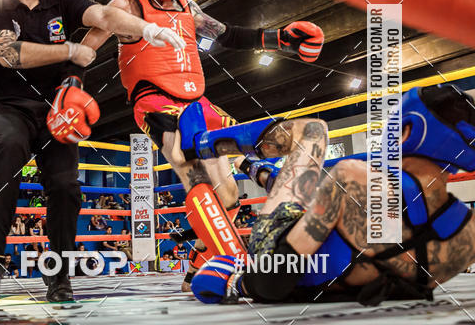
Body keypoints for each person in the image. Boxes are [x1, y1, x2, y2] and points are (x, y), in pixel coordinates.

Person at [82, 0, 324, 290]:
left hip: (198, 102)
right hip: (155, 101)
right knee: (188, 165)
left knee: (228, 197)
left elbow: (226, 34)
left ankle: (196, 269)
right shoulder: (127, 4)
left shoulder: (187, 6)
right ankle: (239, 268)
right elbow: (86, 50)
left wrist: (279, 39)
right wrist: (69, 86)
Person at [0, 0, 185, 304]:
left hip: (57, 108)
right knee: (8, 149)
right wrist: (69, 51)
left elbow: (103, 15)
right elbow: (8, 54)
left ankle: (59, 273)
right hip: (9, 105)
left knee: (66, 186)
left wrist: (148, 29)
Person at [190, 84, 475, 306]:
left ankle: (203, 144)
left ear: (406, 131)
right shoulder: (469, 233)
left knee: (313, 131)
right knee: (307, 188)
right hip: (348, 282)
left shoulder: (353, 177)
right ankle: (257, 170)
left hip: (283, 262)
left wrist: (238, 281)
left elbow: (270, 282)